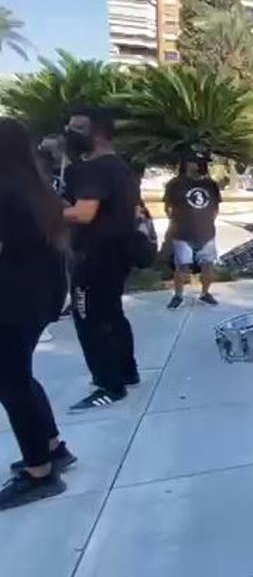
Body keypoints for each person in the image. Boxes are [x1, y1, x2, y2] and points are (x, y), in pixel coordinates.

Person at [0, 119, 73, 510]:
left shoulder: (6, 192)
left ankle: (39, 472)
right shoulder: (35, 189)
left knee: (12, 385)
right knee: (19, 378)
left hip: (13, 302)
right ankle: (51, 446)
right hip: (38, 297)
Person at [61, 107, 140, 411]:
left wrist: (44, 209)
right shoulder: (121, 166)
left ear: (96, 131)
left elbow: (83, 213)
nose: (70, 132)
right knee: (113, 314)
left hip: (93, 258)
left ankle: (109, 384)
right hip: (116, 254)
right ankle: (126, 371)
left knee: (89, 320)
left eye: (77, 127)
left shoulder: (94, 169)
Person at [164, 157, 222, 308]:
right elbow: (168, 208)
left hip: (207, 233)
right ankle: (178, 295)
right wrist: (178, 223)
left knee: (207, 265)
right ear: (186, 164)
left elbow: (216, 208)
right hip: (182, 233)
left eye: (199, 162)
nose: (196, 165)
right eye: (193, 161)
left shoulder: (210, 185)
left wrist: (206, 223)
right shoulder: (175, 184)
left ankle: (205, 293)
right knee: (182, 266)